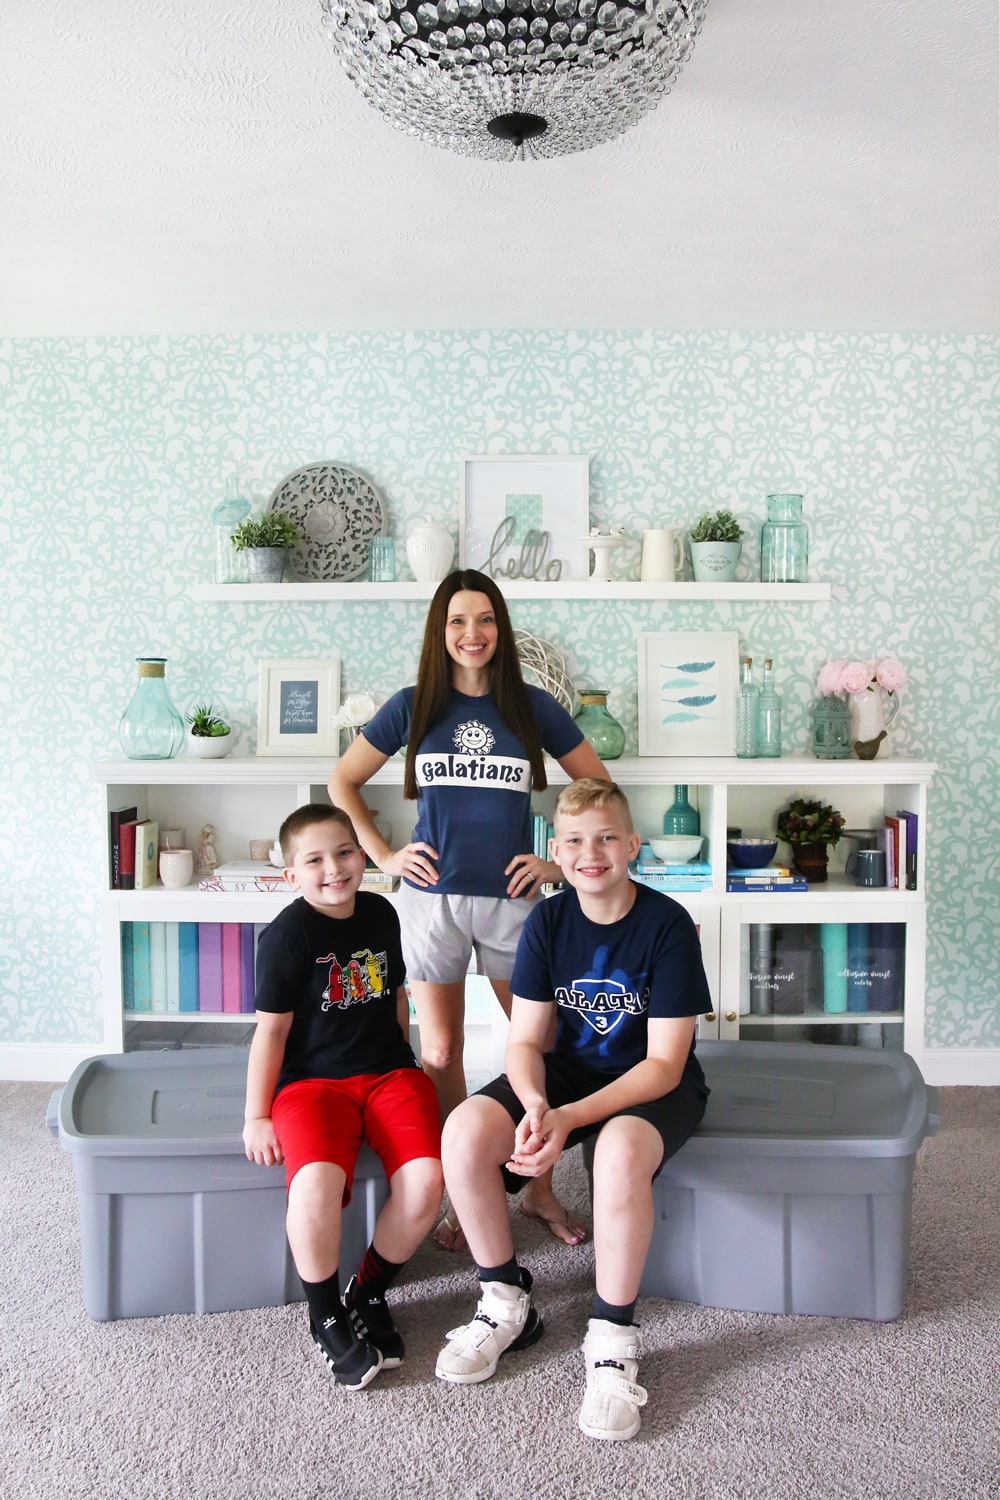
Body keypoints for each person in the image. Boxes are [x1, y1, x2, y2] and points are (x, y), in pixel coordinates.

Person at [329, 568, 609, 1250]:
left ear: (499, 628)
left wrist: (556, 862)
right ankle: (467, 1190)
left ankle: (539, 1187)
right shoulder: (413, 705)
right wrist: (385, 856)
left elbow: (598, 784)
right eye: (457, 621)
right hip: (432, 904)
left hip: (514, 902)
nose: (472, 633)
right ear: (440, 630)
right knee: (443, 1049)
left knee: (536, 1046)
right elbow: (343, 780)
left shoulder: (532, 706)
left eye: (484, 620)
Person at [433, 778, 711, 1442]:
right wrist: (536, 1104)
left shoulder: (667, 925)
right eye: (577, 841)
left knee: (614, 1156)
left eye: (608, 837)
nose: (593, 853)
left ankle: (613, 1339)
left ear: (633, 846)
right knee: (467, 1130)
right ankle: (504, 1301)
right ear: (556, 850)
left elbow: (665, 1064)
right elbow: (525, 1041)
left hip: (651, 1084)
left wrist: (573, 1117)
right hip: (566, 1073)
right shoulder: (548, 922)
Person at [243, 802, 443, 1390]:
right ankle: (325, 1311)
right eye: (315, 860)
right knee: (315, 1186)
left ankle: (369, 1288)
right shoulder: (286, 937)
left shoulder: (382, 912)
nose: (333, 868)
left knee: (428, 1179)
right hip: (312, 1084)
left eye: (345, 852)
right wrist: (257, 1114)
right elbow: (271, 1032)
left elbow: (397, 994)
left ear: (362, 855)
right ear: (292, 875)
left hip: (387, 1072)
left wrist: (409, 1057)